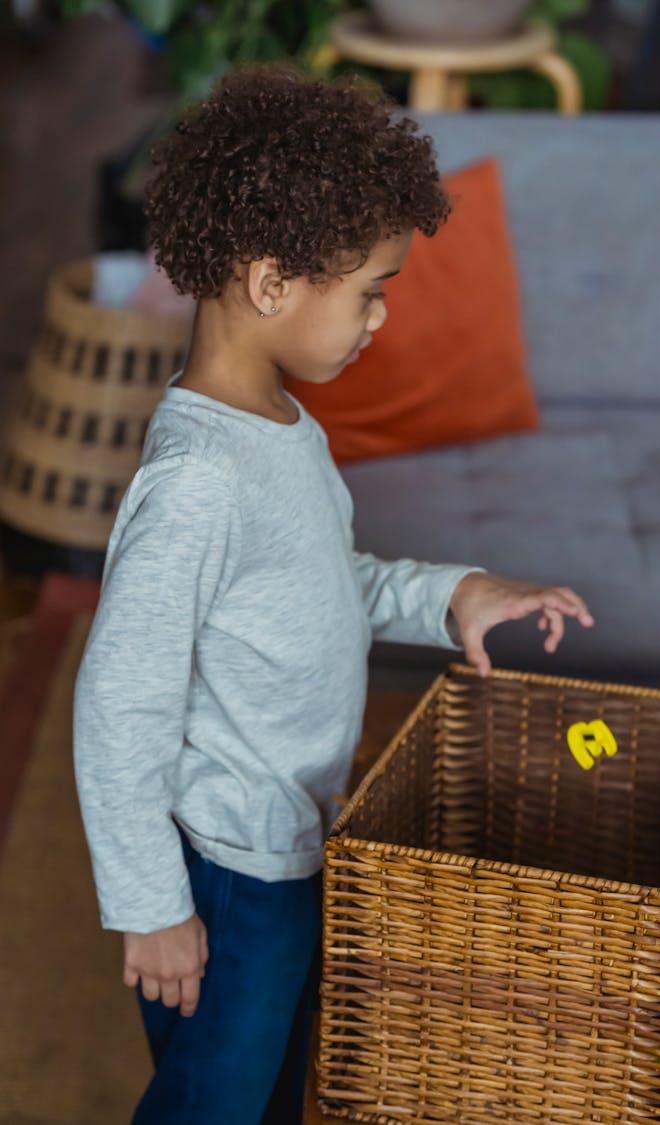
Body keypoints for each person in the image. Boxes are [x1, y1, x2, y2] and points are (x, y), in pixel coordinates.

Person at [73, 61, 594, 1125]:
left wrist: (454, 594)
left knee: (267, 1093)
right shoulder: (195, 484)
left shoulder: (280, 427)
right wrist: (152, 909)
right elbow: (117, 707)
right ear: (270, 284)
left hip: (296, 844)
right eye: (369, 291)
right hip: (224, 876)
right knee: (211, 1106)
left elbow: (321, 586)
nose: (377, 322)